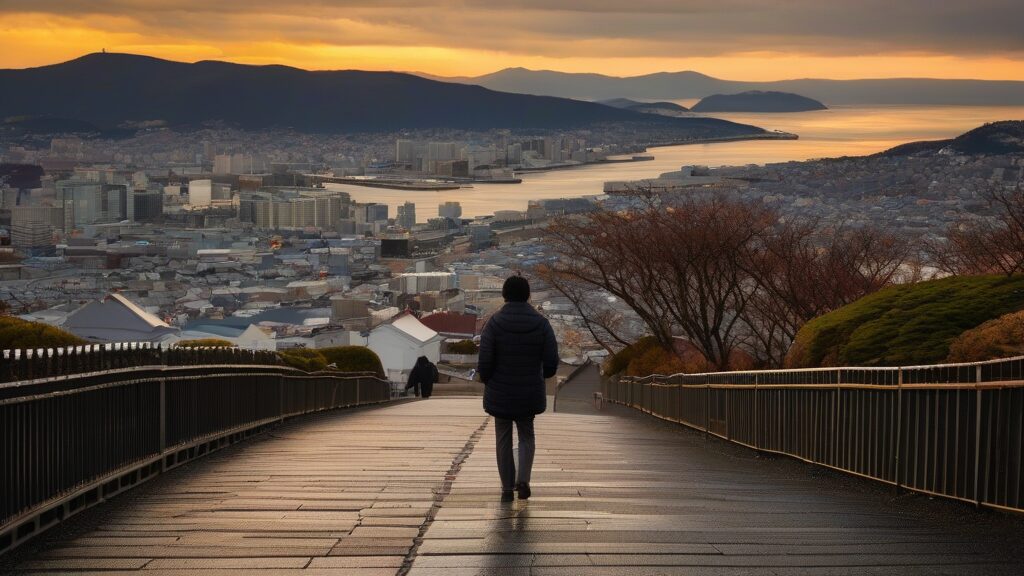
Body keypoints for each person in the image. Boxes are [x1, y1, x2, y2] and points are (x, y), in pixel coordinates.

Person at [478, 275, 559, 502]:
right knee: (526, 435)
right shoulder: (541, 323)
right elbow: (551, 361)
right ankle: (523, 479)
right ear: (527, 295)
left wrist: (488, 379)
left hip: (500, 391)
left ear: (504, 294)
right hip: (528, 390)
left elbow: (484, 361)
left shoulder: (493, 323)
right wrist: (540, 375)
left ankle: (506, 488)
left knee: (503, 437)